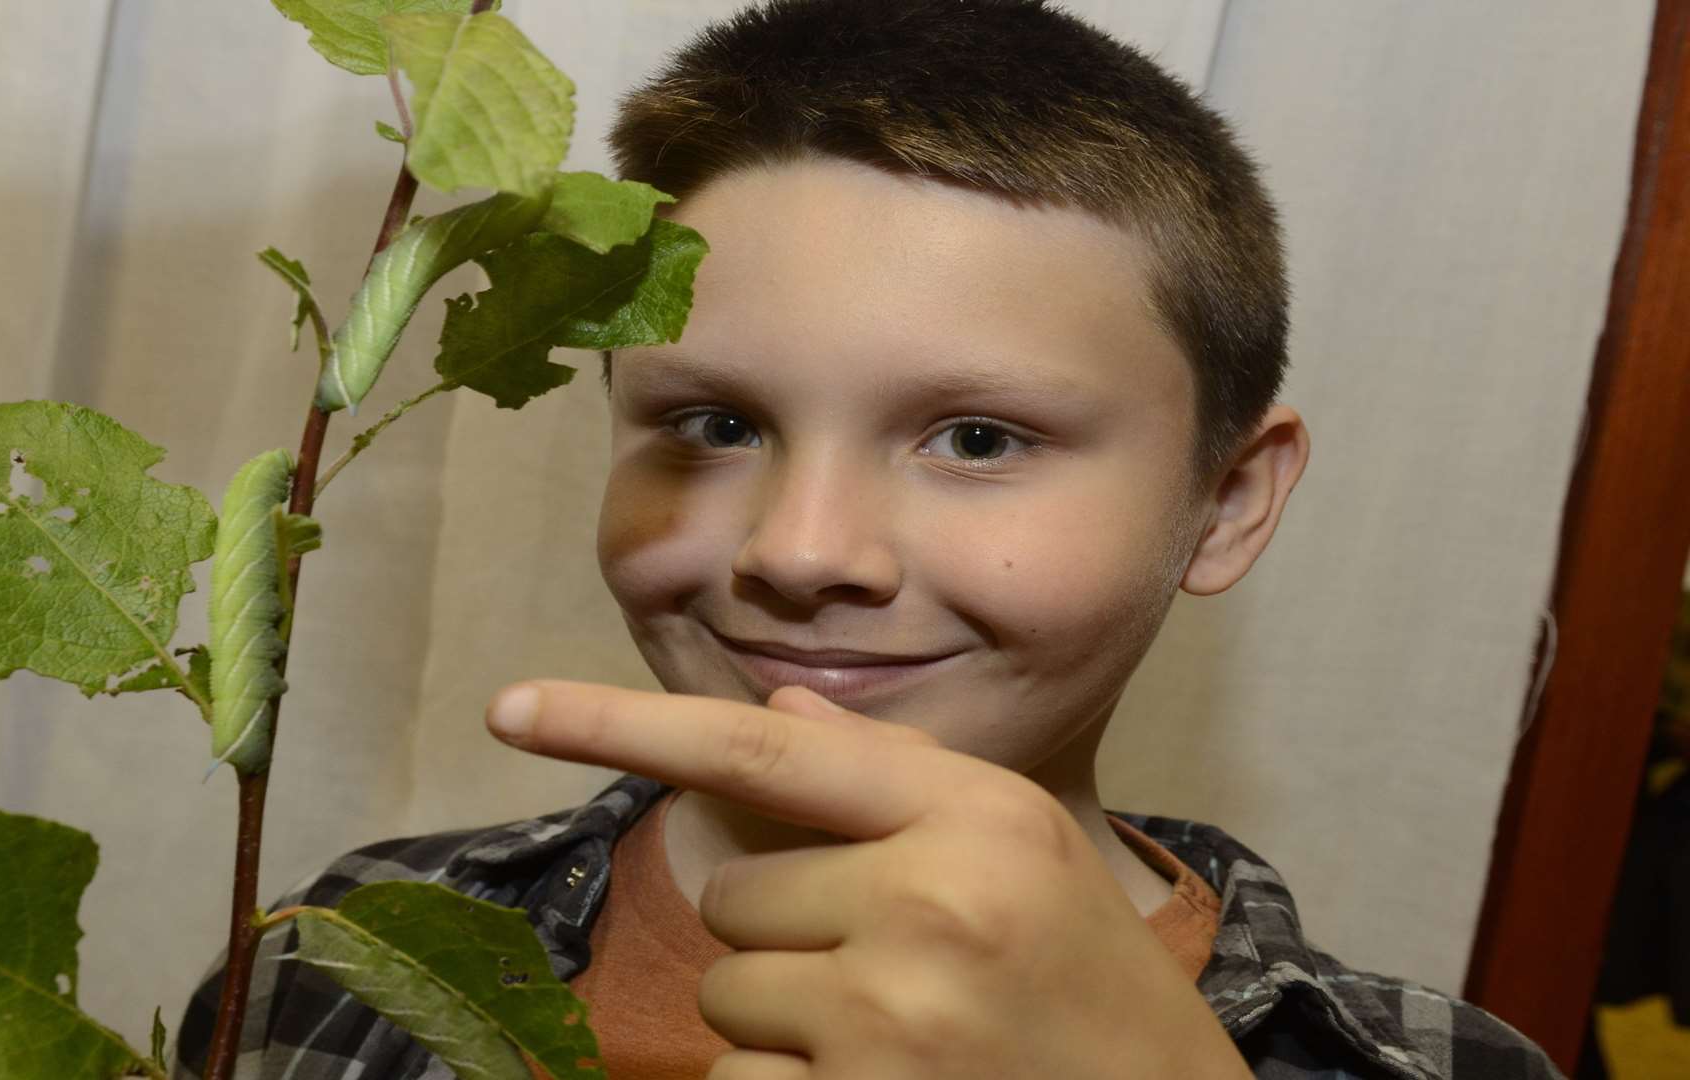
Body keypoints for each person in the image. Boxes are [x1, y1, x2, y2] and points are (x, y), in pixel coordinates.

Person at [177, 1, 1563, 1075]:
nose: (801, 549)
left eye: (975, 439)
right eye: (716, 425)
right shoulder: (338, 950)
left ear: (1228, 502)